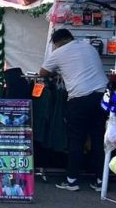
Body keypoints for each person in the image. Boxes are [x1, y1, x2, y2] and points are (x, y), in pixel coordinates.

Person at [39, 28, 109, 192]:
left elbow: (43, 72)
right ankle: (100, 181)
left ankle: (72, 180)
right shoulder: (89, 47)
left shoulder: (59, 52)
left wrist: (57, 71)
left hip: (79, 99)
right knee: (98, 139)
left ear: (57, 43)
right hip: (102, 97)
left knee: (76, 140)